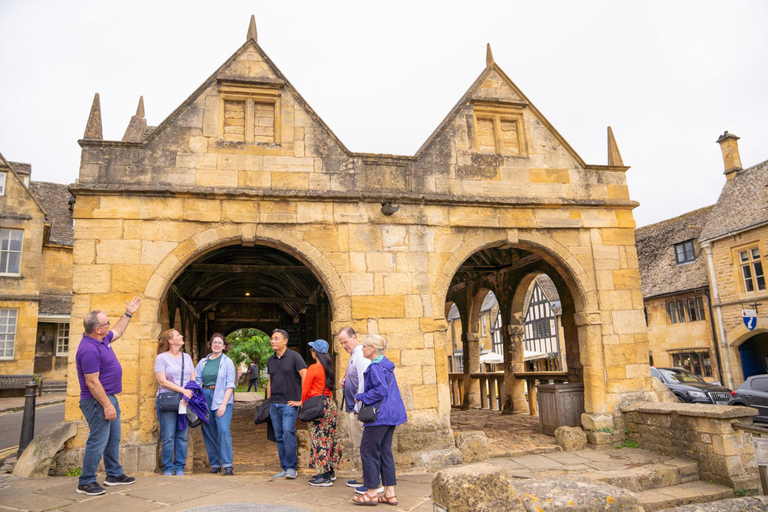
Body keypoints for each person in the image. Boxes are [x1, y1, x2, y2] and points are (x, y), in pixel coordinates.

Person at [74, 297, 142, 496]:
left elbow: (119, 331)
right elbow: (92, 382)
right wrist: (107, 405)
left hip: (108, 397)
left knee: (113, 438)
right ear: (97, 329)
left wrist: (128, 313)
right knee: (98, 440)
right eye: (106, 323)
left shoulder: (101, 339)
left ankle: (113, 474)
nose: (109, 325)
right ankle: (86, 482)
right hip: (97, 401)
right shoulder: (88, 349)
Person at [352, 334, 407, 506]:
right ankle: (390, 493)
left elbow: (380, 391)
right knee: (385, 452)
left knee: (368, 451)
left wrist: (360, 396)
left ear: (373, 349)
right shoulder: (385, 365)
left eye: (365, 346)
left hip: (379, 416)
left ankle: (371, 492)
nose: (362, 349)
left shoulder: (375, 367)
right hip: (391, 415)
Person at [266, 328, 307, 479]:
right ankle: (284, 467)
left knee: (288, 431)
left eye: (276, 338)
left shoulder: (295, 357)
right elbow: (270, 381)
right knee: (279, 435)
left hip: (289, 403)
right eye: (272, 339)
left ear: (285, 341)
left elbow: (305, 376)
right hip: (274, 404)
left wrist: (302, 400)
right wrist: (269, 401)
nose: (273, 341)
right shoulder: (271, 360)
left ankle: (291, 467)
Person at [302, 339, 343, 487]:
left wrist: (304, 405)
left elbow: (306, 389)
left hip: (318, 405)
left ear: (315, 352)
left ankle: (323, 476)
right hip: (329, 404)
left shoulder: (314, 368)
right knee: (330, 437)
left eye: (312, 350)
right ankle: (330, 472)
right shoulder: (328, 367)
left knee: (318, 438)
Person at [154, 329, 195, 476]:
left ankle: (180, 466)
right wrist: (182, 390)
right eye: (178, 335)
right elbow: (162, 381)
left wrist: (188, 393)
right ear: (171, 341)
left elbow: (193, 379)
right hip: (168, 400)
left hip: (184, 401)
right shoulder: (162, 358)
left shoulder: (187, 357)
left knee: (182, 436)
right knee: (168, 436)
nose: (181, 336)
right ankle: (168, 467)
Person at [195, 333, 237, 475]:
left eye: (220, 343)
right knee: (209, 431)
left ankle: (227, 464)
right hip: (205, 396)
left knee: (223, 430)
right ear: (210, 344)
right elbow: (196, 381)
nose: (216, 345)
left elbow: (230, 385)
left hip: (222, 397)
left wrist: (223, 405)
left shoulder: (227, 362)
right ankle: (215, 464)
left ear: (224, 346)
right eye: (214, 342)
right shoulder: (203, 362)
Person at [337, 326, 371, 490]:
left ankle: (370, 480)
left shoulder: (360, 356)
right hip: (354, 408)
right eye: (341, 343)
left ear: (354, 337)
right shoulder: (353, 356)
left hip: (359, 410)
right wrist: (345, 382)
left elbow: (364, 383)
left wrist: (358, 409)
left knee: (366, 446)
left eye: (345, 342)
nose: (344, 346)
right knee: (361, 446)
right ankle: (365, 477)